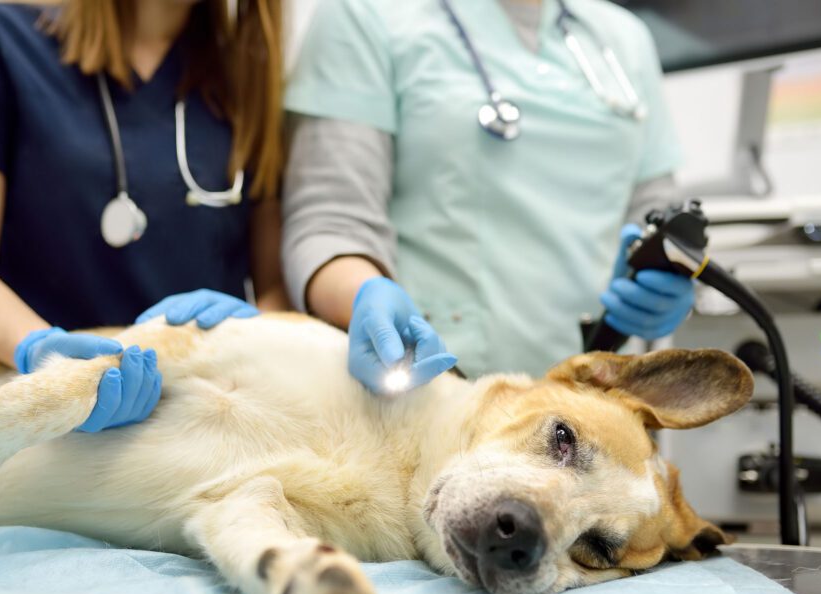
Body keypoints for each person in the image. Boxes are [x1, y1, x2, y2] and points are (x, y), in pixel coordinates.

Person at [282, 0, 694, 392]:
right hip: (432, 387)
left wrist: (666, 279)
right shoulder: (366, 13)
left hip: (593, 396)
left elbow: (655, 214)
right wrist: (364, 298)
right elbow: (330, 221)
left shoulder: (625, 38)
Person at [0, 0, 286, 431]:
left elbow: (276, 286)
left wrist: (253, 330)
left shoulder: (249, 85)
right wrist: (45, 353)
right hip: (34, 416)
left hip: (194, 423)